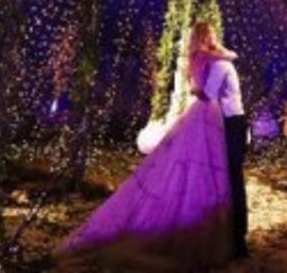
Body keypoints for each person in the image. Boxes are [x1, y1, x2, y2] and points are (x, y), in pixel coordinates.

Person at [57, 21, 239, 270]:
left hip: (198, 111)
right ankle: (202, 220)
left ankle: (194, 209)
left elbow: (197, 86)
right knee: (205, 163)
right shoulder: (211, 57)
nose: (214, 36)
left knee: (188, 161)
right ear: (205, 36)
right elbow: (209, 89)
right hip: (208, 112)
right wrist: (224, 56)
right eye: (210, 33)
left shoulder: (194, 57)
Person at [201, 23, 249, 259]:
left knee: (233, 177)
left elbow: (208, 94)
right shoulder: (223, 62)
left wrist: (194, 89)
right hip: (235, 121)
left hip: (232, 123)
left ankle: (238, 238)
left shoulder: (219, 65)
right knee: (233, 176)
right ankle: (236, 235)